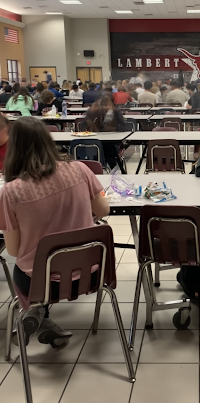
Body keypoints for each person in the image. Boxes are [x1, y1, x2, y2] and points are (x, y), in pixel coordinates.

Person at [0, 117, 110, 347]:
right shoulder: (79, 169)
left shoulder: (10, 193)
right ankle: (44, 323)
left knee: (25, 266)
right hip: (90, 273)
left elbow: (13, 250)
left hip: (41, 282)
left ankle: (38, 313)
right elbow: (103, 209)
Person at [81, 96, 127, 169]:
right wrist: (91, 113)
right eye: (103, 105)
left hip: (112, 142)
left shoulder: (116, 113)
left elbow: (123, 127)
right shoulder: (96, 112)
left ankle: (112, 169)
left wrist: (111, 128)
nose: (105, 107)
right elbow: (83, 126)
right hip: (95, 141)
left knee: (108, 149)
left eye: (107, 104)